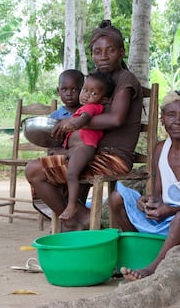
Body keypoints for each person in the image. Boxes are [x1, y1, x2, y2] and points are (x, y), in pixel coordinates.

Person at [25, 20, 143, 231]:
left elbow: (116, 119)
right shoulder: (98, 81)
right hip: (94, 152)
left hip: (114, 157)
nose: (103, 56)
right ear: (91, 55)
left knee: (35, 171)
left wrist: (73, 122)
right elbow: (85, 116)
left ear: (122, 52)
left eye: (110, 50)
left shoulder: (125, 79)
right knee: (37, 167)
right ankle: (77, 216)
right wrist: (70, 127)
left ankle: (74, 219)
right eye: (97, 51)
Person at [109, 90, 180, 281]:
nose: (178, 120)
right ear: (163, 119)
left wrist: (170, 211)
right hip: (168, 218)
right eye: (171, 114)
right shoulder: (160, 149)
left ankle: (152, 269)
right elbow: (158, 194)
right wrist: (147, 202)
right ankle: (143, 253)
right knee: (116, 198)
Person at [59, 71, 114, 220]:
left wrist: (74, 124)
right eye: (85, 90)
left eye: (93, 93)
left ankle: (72, 205)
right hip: (75, 148)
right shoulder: (81, 108)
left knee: (71, 174)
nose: (86, 95)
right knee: (65, 173)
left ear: (103, 99)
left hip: (84, 147)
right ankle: (74, 204)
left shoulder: (92, 108)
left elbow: (84, 119)